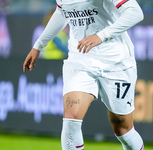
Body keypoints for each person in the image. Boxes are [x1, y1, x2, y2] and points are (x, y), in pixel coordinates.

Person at [23, 0, 144, 149]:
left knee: (122, 128)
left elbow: (136, 13)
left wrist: (101, 35)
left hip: (115, 62)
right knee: (71, 116)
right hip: (80, 59)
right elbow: (62, 12)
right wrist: (38, 45)